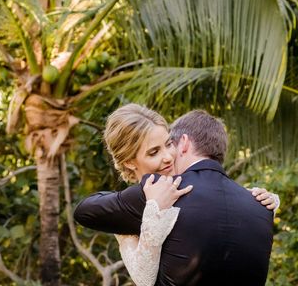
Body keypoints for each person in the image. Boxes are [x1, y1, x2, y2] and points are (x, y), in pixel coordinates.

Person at [75, 104, 277, 286]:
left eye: (169, 144)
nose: (168, 157)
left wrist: (153, 206)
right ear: (129, 161)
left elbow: (85, 211)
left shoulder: (167, 190)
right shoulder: (257, 206)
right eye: (154, 152)